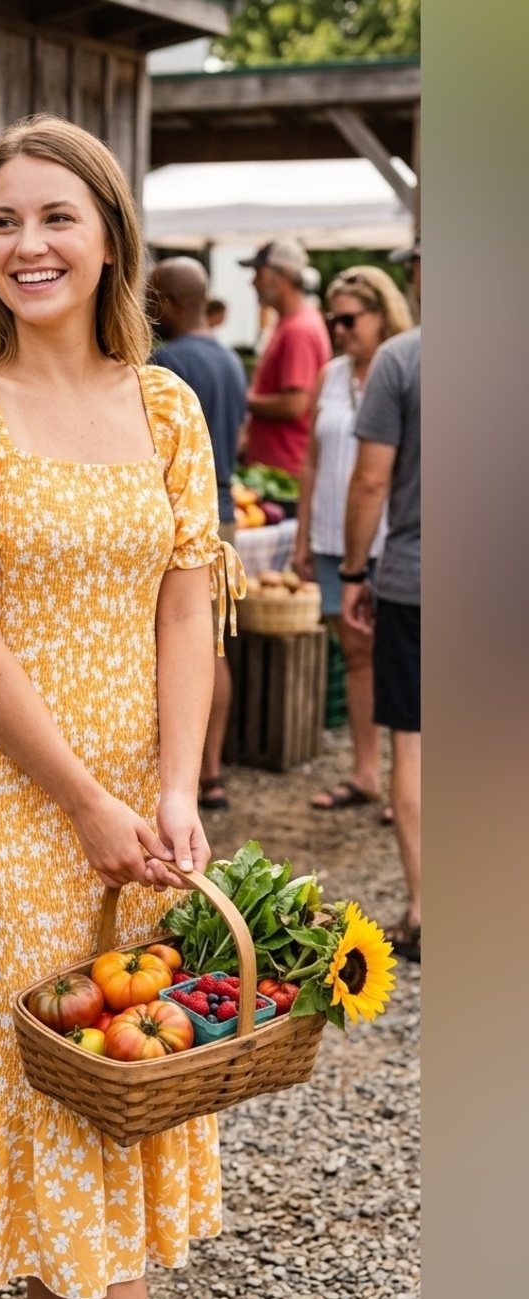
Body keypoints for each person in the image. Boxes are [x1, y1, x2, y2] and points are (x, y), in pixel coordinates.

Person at [0, 113, 245, 1299]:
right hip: (5, 811)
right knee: (61, 1100)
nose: (26, 245)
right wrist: (84, 799)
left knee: (113, 1114)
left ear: (108, 240)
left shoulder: (165, 405)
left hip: (142, 808)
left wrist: (176, 791)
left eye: (55, 218)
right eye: (2, 221)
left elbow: (187, 608)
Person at [292, 267, 413, 821]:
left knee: (403, 660)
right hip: (332, 533)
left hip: (390, 537)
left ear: (381, 313)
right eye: (332, 319)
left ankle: (406, 777)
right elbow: (311, 461)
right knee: (357, 656)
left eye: (349, 319)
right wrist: (301, 534)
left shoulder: (401, 368)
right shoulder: (331, 375)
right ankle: (368, 771)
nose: (339, 330)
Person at [342, 237, 421, 963]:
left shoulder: (403, 359)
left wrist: (354, 571)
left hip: (416, 581)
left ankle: (426, 904)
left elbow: (370, 483)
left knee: (415, 742)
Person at [149, 256, 249, 812]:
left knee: (183, 638)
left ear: (169, 302)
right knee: (211, 645)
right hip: (225, 510)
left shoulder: (167, 363)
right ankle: (211, 769)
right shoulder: (229, 359)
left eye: (153, 297)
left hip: (179, 516)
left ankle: (189, 772)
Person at [239, 236, 330, 477]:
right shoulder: (291, 322)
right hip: (276, 468)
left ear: (281, 275)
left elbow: (295, 405)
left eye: (259, 273)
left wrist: (240, 399)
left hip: (284, 472)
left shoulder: (299, 329)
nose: (253, 282)